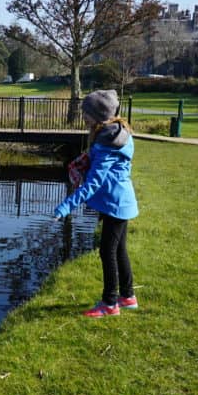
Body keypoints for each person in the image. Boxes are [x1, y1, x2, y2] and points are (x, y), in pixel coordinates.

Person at [54, 89, 138, 317]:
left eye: (86, 114)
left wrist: (65, 207)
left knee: (107, 251)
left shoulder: (106, 143)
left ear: (99, 115)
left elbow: (92, 184)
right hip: (119, 201)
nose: (84, 118)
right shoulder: (117, 133)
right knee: (119, 250)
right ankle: (128, 296)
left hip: (115, 203)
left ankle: (110, 304)